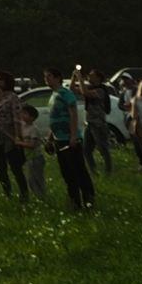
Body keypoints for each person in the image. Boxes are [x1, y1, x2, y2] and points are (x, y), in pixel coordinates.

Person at [47, 79, 96, 212]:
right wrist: (50, 138)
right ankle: (74, 200)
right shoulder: (53, 95)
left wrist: (73, 135)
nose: (47, 80)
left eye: (49, 76)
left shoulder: (65, 94)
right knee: (66, 172)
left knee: (78, 170)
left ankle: (88, 198)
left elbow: (73, 114)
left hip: (69, 138)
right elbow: (54, 117)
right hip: (59, 139)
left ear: (57, 77)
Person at [18, 104, 49, 201]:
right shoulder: (23, 127)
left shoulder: (34, 129)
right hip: (29, 159)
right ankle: (37, 197)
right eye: (22, 113)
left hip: (36, 158)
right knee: (31, 180)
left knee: (38, 179)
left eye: (25, 114)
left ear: (32, 117)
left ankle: (42, 197)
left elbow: (32, 145)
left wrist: (19, 143)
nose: (22, 115)